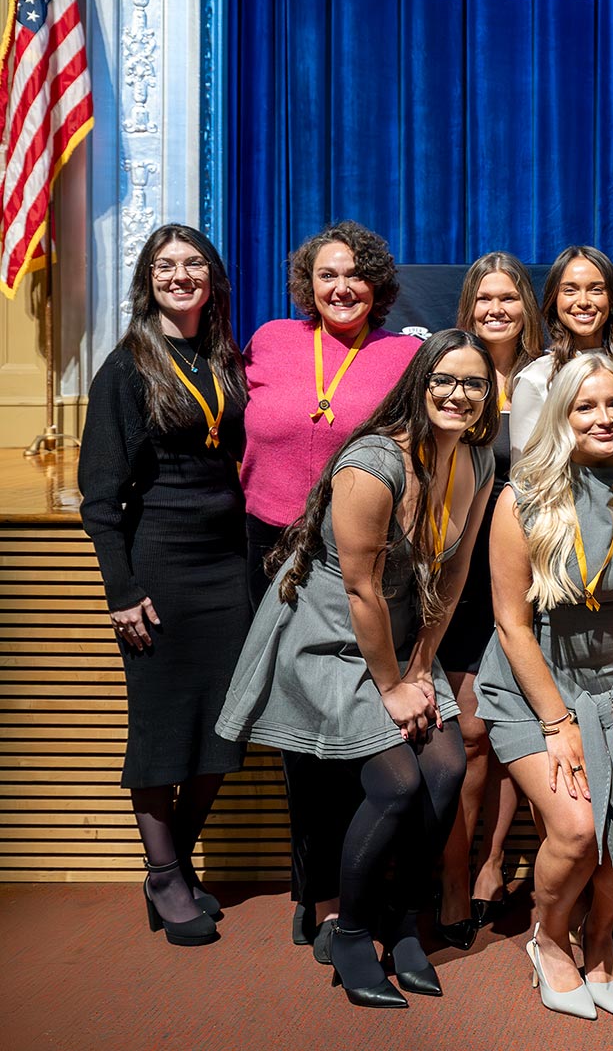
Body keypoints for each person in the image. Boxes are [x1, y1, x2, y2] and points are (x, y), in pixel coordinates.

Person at [218, 330, 498, 1008]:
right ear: (419, 383)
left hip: (400, 642)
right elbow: (359, 589)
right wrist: (393, 686)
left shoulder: (478, 458)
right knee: (399, 781)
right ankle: (350, 931)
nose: (458, 395)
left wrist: (425, 668)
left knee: (447, 767)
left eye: (474, 384)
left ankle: (403, 921)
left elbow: (453, 572)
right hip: (329, 633)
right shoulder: (374, 463)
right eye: (444, 380)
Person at [475, 354, 613, 1019]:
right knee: (576, 827)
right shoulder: (522, 498)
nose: (603, 418)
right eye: (586, 406)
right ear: (561, 414)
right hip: (535, 687)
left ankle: (597, 934)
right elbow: (509, 623)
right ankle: (549, 935)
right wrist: (559, 723)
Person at [238, 220, 419, 950]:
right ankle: (310, 888)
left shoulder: (404, 355)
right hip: (268, 550)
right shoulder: (272, 340)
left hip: (356, 559)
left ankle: (358, 887)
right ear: (307, 285)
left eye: (354, 274)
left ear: (376, 283)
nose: (340, 287)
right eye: (326, 275)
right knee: (298, 734)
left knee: (357, 728)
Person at [79, 225, 248, 947]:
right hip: (162, 566)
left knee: (222, 724)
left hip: (227, 566)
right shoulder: (125, 368)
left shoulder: (223, 359)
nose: (179, 276)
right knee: (159, 727)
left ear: (212, 280)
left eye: (193, 265)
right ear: (147, 281)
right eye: (164, 266)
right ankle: (164, 874)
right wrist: (122, 593)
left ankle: (172, 859)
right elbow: (99, 497)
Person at [436, 252, 542, 948]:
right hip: (459, 571)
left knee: (505, 731)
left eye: (508, 298)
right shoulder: (453, 376)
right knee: (469, 735)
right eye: (484, 299)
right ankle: (453, 873)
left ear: (526, 307)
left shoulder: (546, 377)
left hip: (530, 569)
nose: (496, 310)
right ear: (468, 308)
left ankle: (495, 860)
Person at [509, 246, 613, 458]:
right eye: (570, 290)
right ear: (554, 300)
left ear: (612, 300)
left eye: (596, 289)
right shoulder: (536, 379)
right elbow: (524, 478)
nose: (583, 301)